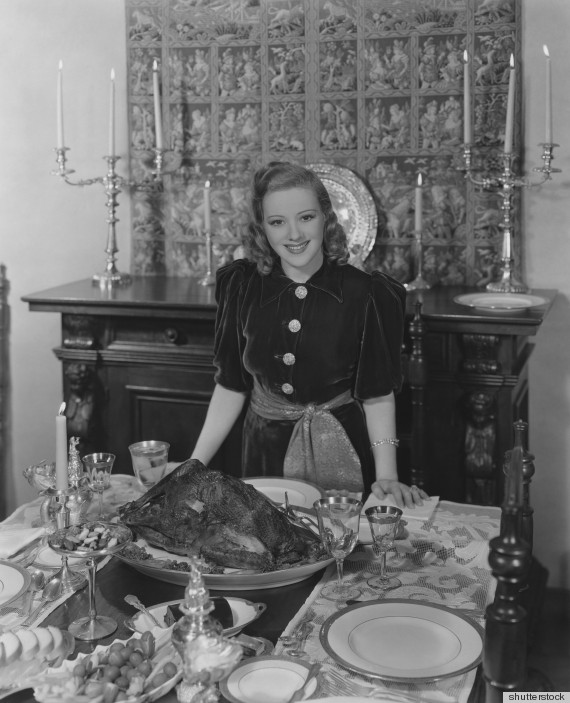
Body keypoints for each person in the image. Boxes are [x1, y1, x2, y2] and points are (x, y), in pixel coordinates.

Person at [190, 162, 428, 508]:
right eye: (277, 222)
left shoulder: (367, 294)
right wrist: (195, 465)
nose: (294, 235)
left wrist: (386, 476)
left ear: (326, 217)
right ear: (263, 228)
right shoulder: (241, 286)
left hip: (344, 447)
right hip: (263, 455)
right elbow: (230, 384)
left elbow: (377, 395)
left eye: (306, 217)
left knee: (340, 552)